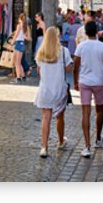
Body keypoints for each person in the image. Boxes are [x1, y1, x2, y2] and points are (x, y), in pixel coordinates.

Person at [73, 20, 103, 158]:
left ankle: (87, 145)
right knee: (99, 110)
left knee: (85, 112)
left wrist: (75, 82)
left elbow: (76, 67)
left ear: (85, 32)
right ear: (96, 31)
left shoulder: (81, 47)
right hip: (99, 81)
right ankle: (97, 139)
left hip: (84, 81)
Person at [34, 27, 73, 158]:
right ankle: (61, 141)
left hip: (45, 89)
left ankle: (44, 147)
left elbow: (39, 71)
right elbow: (68, 69)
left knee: (46, 118)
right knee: (60, 117)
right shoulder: (63, 52)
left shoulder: (41, 52)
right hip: (59, 89)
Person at [11, 13, 31, 83]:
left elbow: (16, 35)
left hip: (18, 43)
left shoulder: (19, 25)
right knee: (19, 62)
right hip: (22, 43)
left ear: (20, 18)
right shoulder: (27, 27)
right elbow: (29, 38)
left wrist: (12, 42)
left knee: (16, 62)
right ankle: (22, 76)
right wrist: (24, 36)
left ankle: (18, 78)